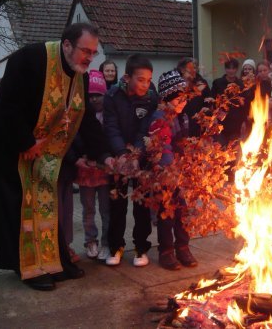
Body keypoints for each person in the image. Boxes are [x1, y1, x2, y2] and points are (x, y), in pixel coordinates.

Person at [0, 23, 112, 291]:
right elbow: (7, 106)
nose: (89, 57)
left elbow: (85, 118)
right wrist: (25, 142)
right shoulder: (29, 59)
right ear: (66, 46)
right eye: (85, 50)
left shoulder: (81, 75)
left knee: (46, 207)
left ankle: (55, 262)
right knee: (20, 209)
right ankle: (27, 268)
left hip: (44, 154)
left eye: (93, 52)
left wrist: (105, 154)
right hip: (8, 148)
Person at [103, 54, 158, 266]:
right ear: (127, 77)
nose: (145, 84)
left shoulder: (152, 98)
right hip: (118, 157)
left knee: (142, 204)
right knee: (117, 203)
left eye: (148, 79)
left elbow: (146, 129)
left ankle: (141, 248)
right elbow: (111, 127)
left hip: (141, 157)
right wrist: (122, 154)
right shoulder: (112, 96)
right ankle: (116, 246)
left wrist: (136, 155)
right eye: (140, 79)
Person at [149, 69, 198, 270]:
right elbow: (163, 146)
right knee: (166, 213)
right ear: (166, 98)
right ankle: (166, 250)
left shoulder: (182, 116)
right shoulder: (160, 118)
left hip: (178, 171)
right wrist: (170, 172)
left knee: (182, 211)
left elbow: (183, 142)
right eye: (178, 101)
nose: (182, 104)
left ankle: (183, 246)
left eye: (184, 100)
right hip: (165, 173)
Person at [75, 70, 112, 260]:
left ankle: (106, 242)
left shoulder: (109, 117)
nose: (94, 100)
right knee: (88, 209)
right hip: (86, 171)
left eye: (98, 95)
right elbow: (76, 138)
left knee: (106, 210)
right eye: (90, 96)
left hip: (104, 171)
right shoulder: (80, 117)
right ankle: (91, 240)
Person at [211, 57, 248, 145]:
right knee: (220, 150)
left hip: (236, 123)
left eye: (233, 68)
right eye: (228, 68)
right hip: (221, 122)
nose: (231, 71)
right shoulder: (217, 83)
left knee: (234, 150)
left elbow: (245, 105)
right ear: (225, 69)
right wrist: (214, 118)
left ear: (236, 69)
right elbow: (212, 101)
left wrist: (244, 121)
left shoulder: (241, 84)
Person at [176, 57, 212, 137]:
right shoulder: (175, 86)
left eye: (195, 68)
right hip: (180, 128)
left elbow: (209, 100)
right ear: (182, 70)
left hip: (199, 127)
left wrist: (206, 109)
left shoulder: (202, 83)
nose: (194, 70)